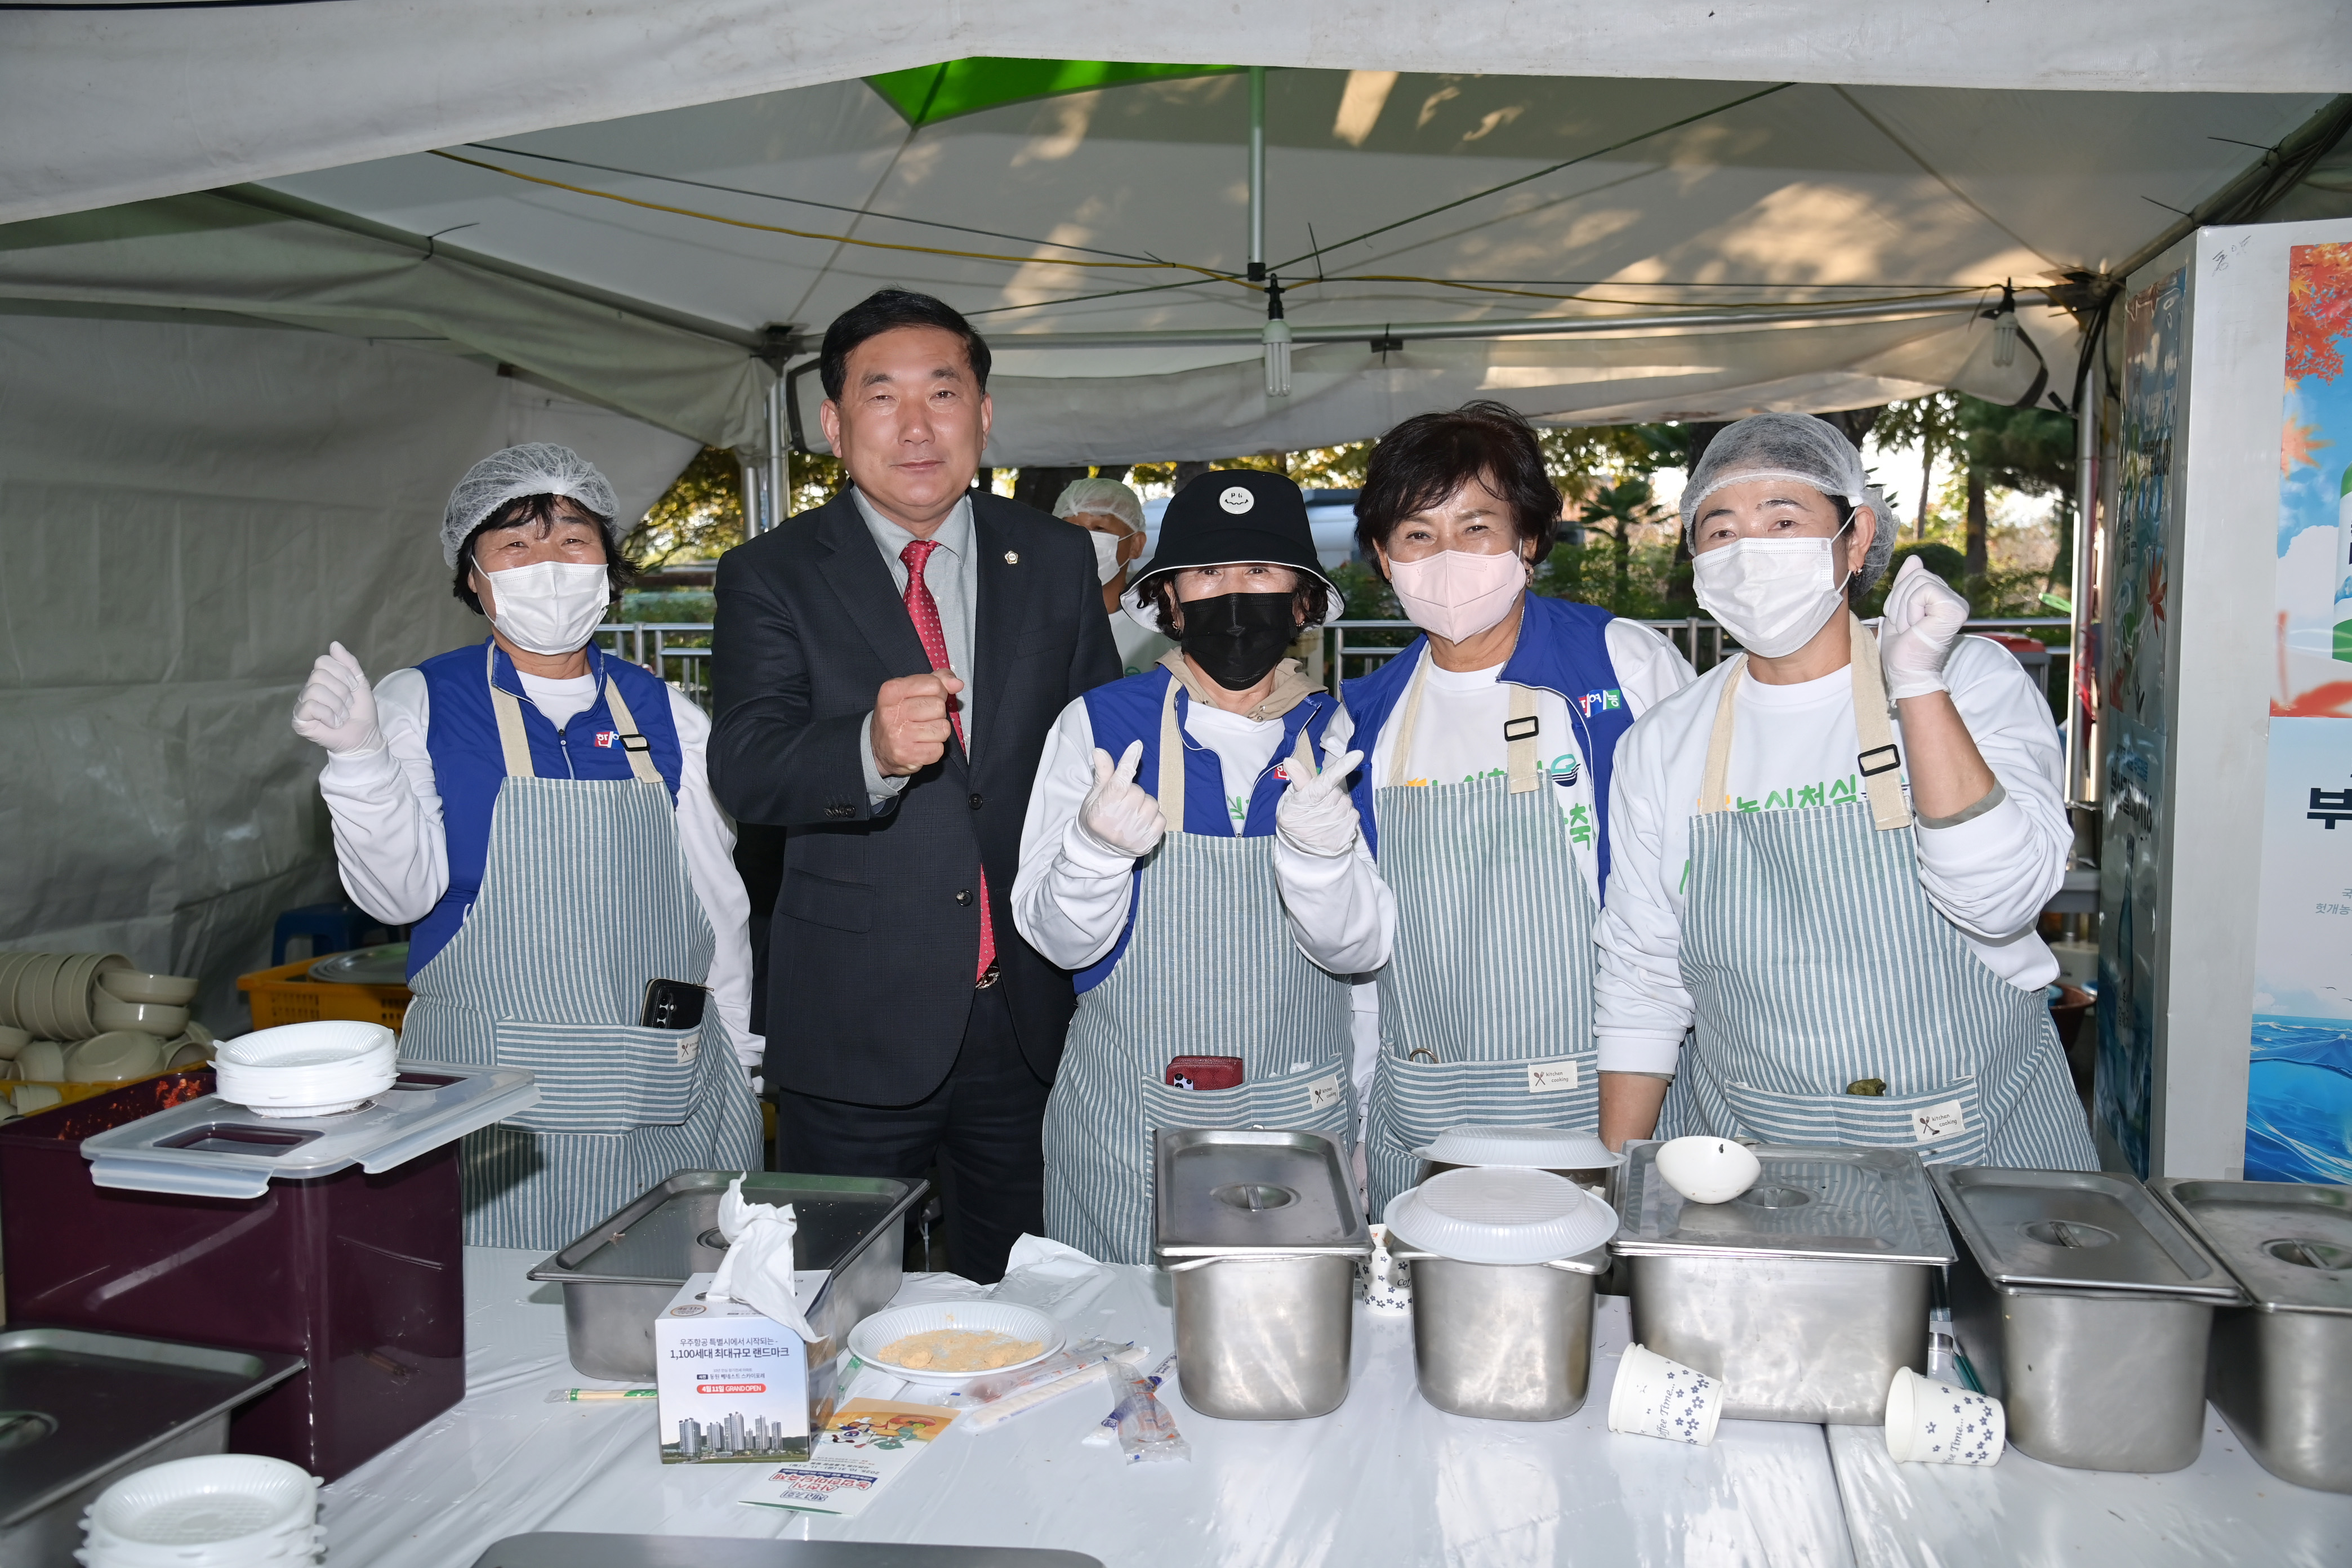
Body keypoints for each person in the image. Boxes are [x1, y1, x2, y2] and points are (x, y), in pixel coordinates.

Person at [709, 289, 1120, 1284]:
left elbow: (1098, 746)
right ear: (834, 422)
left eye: (943, 392)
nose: (916, 425)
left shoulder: (1054, 557)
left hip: (1027, 1016)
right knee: (834, 1298)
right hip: (854, 1020)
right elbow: (747, 766)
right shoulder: (771, 571)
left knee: (1028, 1301)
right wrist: (868, 749)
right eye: (882, 395)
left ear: (983, 411)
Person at [292, 443, 764, 1249]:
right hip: (484, 1098)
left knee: (664, 1290)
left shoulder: (669, 715)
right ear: (474, 578)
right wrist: (360, 762)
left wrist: (743, 1057)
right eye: (515, 544)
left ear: (608, 568)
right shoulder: (420, 702)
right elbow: (400, 897)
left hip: (655, 1089)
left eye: (573, 540)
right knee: (491, 1298)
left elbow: (717, 908)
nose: (548, 564)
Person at [1594, 412, 2095, 1168]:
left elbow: (2001, 903)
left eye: (1783, 521)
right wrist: (1617, 1176)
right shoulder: (1665, 741)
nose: (1749, 552)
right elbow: (1643, 977)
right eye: (1721, 531)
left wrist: (1917, 685)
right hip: (1751, 1156)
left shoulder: (1968, 681)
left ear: (1856, 538)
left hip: (1977, 1146)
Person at [1014, 470, 1392, 1262]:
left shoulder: (1341, 739)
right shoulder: (1098, 727)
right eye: (1209, 573)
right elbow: (1059, 943)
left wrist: (1323, 861)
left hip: (1298, 1122)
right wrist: (1094, 852)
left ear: (1302, 601)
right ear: (1171, 601)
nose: (1235, 596)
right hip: (1127, 1133)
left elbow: (1360, 958)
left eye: (1260, 571)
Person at [1341, 403, 1694, 1211]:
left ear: (1529, 539)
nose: (1446, 557)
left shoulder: (1620, 666)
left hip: (1606, 1091)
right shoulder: (1364, 718)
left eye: (1476, 527)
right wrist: (1358, 1120)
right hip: (1426, 1111)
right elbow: (1362, 966)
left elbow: (1693, 895)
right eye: (1417, 534)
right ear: (1384, 558)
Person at [1052, 475, 1174, 677]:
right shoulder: (1037, 617)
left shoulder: (1159, 626)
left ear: (1136, 545)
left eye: (1099, 529)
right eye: (1070, 529)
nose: (1083, 540)